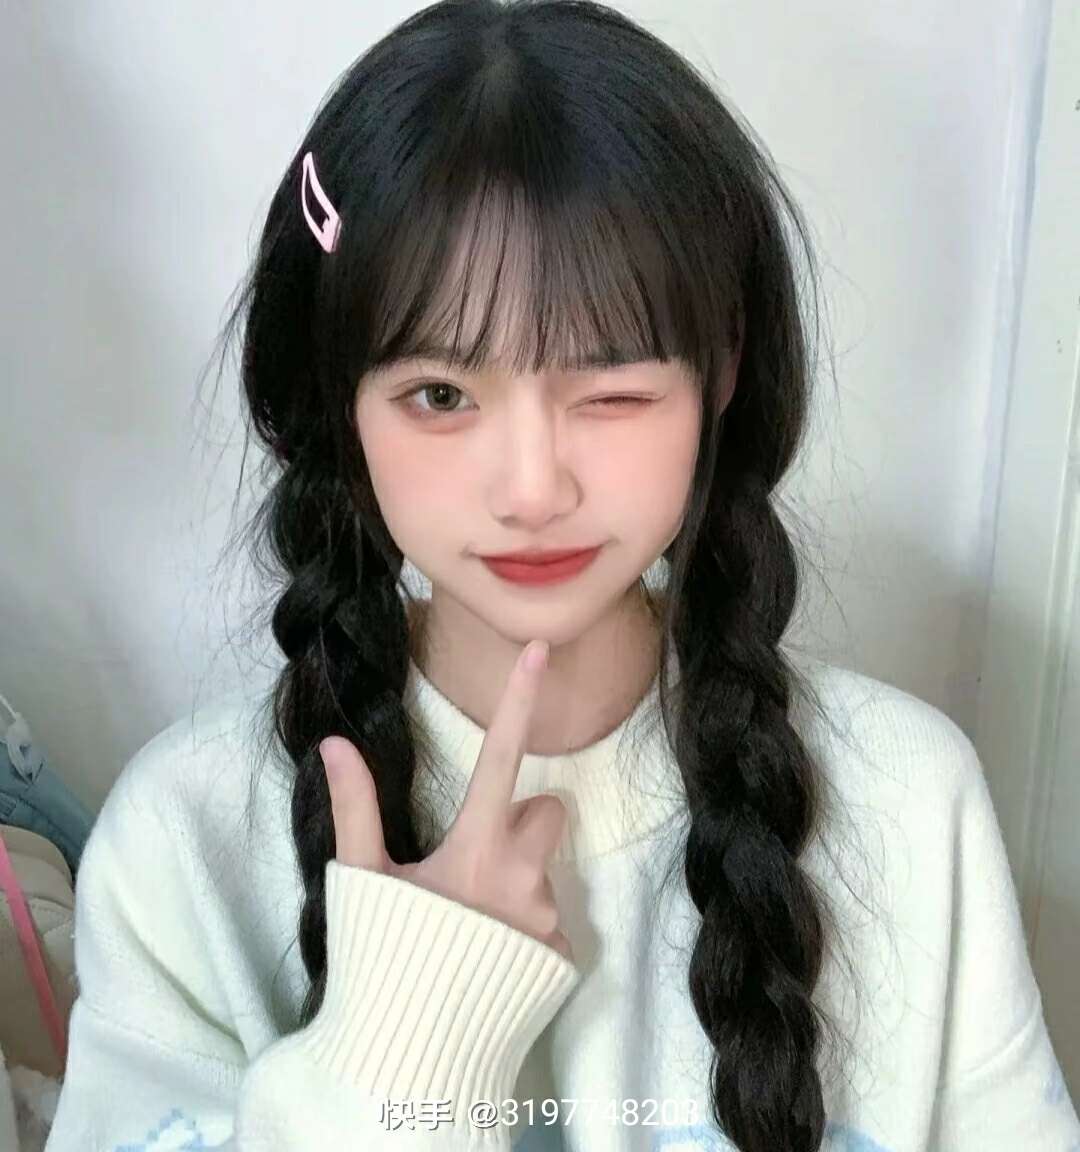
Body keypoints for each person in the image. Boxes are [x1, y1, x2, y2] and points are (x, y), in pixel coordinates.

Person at [45, 1, 1080, 1149]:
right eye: (442, 395)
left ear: (723, 368)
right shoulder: (185, 840)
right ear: (341, 403)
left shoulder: (908, 799)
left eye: (611, 389)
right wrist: (398, 1046)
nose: (533, 487)